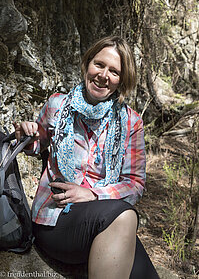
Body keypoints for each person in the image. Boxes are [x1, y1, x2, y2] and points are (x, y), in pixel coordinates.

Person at [15, 36, 160, 279]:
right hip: (56, 218)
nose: (103, 75)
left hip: (104, 216)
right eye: (99, 64)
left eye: (114, 71)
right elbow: (37, 143)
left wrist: (93, 194)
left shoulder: (132, 122)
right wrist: (26, 136)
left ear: (122, 81)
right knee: (124, 216)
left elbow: (135, 184)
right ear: (87, 63)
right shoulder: (57, 105)